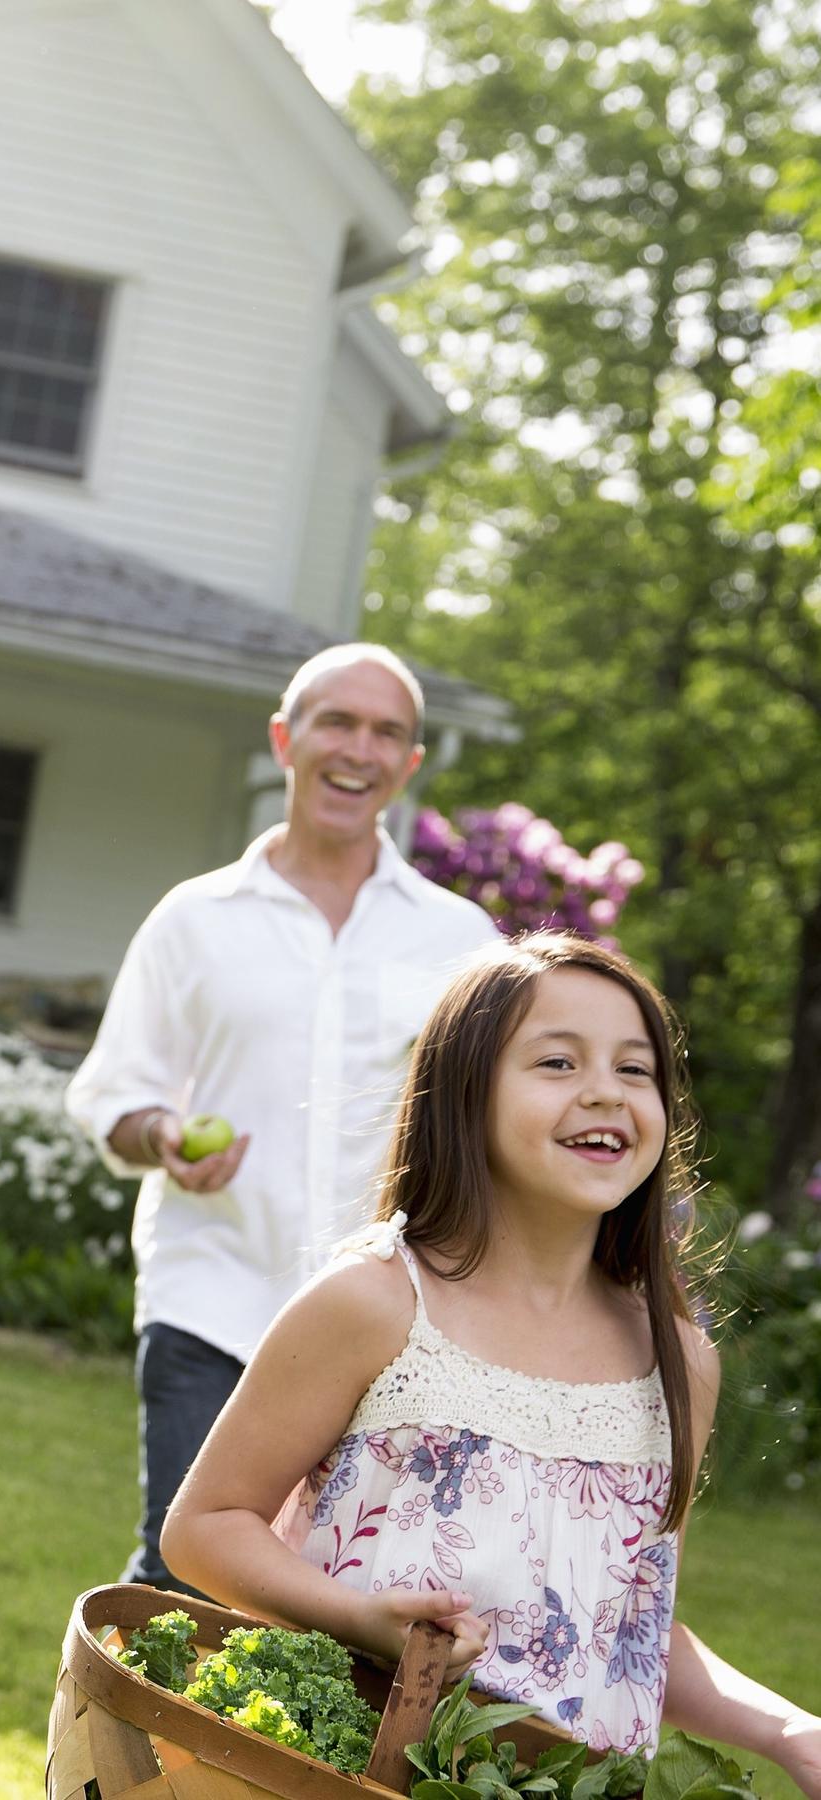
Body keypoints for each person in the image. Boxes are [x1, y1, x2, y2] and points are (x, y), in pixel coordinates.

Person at [160, 934, 821, 1787]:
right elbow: (204, 1528)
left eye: (635, 1070)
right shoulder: (377, 1304)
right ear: (466, 1095)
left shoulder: (678, 1359)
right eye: (556, 1062)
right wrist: (362, 1619)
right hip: (352, 1773)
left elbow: (633, 1630)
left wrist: (793, 1730)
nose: (604, 1095)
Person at [65, 643, 498, 1592]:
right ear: (285, 739)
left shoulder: (459, 940)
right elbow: (112, 1093)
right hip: (211, 1297)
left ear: (411, 764)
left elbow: (491, 1121)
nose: (359, 748)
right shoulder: (196, 919)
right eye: (336, 721)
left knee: (343, 1591)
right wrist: (163, 1139)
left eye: (388, 732)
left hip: (386, 1321)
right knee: (185, 1573)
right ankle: (102, 1743)